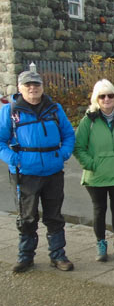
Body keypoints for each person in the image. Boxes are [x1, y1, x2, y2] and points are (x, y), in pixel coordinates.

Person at [0, 71, 76, 272]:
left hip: (53, 171)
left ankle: (58, 255)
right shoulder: (9, 112)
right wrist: (15, 159)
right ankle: (25, 257)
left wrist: (63, 154)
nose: (32, 88)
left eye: (36, 84)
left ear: (42, 86)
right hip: (25, 173)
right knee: (27, 217)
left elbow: (68, 134)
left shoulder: (55, 109)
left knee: (54, 216)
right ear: (19, 87)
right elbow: (1, 141)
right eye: (27, 85)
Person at [73, 80, 114, 262]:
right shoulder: (88, 121)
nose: (106, 99)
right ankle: (101, 244)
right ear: (96, 99)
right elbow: (78, 147)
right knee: (99, 210)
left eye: (110, 95)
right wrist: (91, 164)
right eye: (102, 96)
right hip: (96, 176)